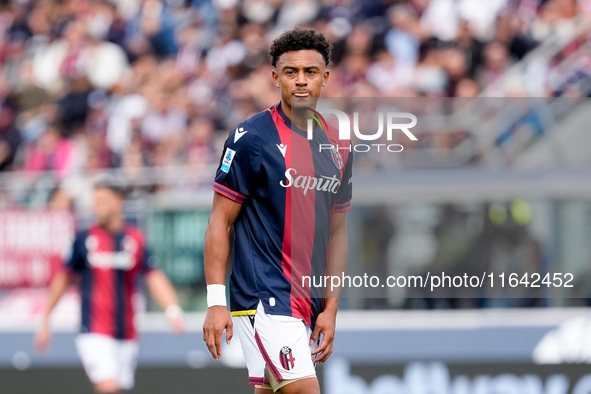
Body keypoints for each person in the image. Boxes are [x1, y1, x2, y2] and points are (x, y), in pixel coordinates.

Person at [202, 28, 352, 394]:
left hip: (307, 303)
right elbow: (220, 219)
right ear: (276, 77)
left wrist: (330, 308)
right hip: (265, 298)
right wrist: (215, 302)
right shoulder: (252, 137)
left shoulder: (339, 143)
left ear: (325, 78)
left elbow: (337, 232)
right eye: (290, 72)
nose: (301, 81)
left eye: (310, 72)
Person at [34, 176, 184, 394]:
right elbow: (63, 279)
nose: (97, 206)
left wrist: (172, 310)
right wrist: (46, 320)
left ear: (118, 202)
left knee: (118, 387)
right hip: (93, 330)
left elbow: (154, 276)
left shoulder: (134, 239)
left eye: (103, 200)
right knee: (108, 387)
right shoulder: (83, 239)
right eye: (95, 201)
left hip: (127, 332)